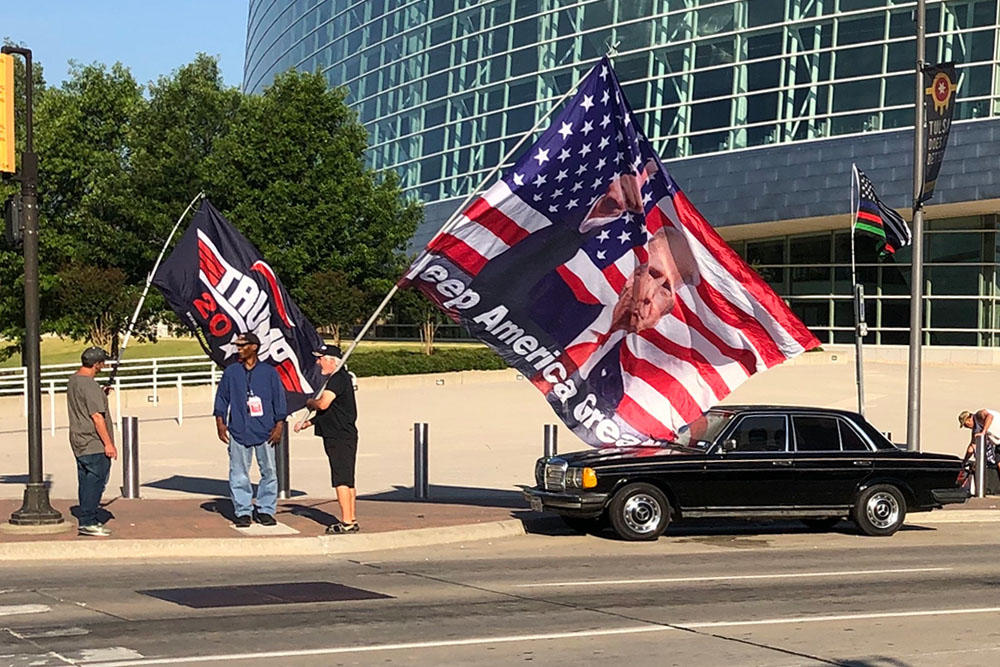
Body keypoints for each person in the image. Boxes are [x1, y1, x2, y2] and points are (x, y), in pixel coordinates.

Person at [213, 332, 287, 528]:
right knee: (238, 472)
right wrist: (220, 423)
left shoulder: (269, 372)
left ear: (253, 347)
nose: (238, 348)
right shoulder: (231, 372)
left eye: (242, 345)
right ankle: (243, 510)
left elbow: (279, 399)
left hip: (266, 431)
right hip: (238, 430)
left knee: (269, 471)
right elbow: (222, 398)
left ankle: (265, 510)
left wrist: (279, 425)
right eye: (237, 345)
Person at [294, 344, 359, 534]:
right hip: (340, 433)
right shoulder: (337, 379)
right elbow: (332, 412)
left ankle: (347, 522)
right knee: (347, 478)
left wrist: (309, 402)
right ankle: (351, 518)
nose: (317, 362)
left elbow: (323, 404)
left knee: (341, 479)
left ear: (331, 361)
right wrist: (307, 423)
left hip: (339, 437)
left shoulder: (337, 379)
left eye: (320, 358)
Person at [67, 346, 118, 537]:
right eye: (102, 362)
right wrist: (108, 444)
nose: (103, 365)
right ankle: (88, 520)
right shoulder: (90, 386)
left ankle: (86, 515)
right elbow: (97, 417)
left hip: (78, 439)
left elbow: (85, 401)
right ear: (97, 364)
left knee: (85, 479)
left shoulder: (74, 380)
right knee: (96, 481)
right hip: (93, 442)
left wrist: (101, 394)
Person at [958, 409, 1000, 480]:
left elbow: (990, 416)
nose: (966, 427)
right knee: (998, 461)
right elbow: (972, 446)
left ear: (968, 420)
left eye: (965, 425)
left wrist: (983, 431)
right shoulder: (975, 430)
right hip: (998, 443)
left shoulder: (978, 415)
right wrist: (964, 461)